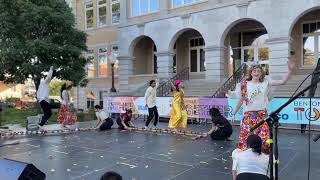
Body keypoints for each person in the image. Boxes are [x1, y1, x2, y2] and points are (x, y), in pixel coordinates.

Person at [230, 59, 295, 153]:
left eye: (259, 71)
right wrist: (233, 113)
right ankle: (245, 159)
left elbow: (283, 82)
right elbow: (241, 100)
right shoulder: (244, 84)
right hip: (249, 116)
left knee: (265, 139)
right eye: (254, 71)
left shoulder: (265, 82)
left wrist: (289, 70)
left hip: (262, 116)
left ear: (261, 73)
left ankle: (263, 159)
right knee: (245, 139)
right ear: (251, 73)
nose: (256, 73)